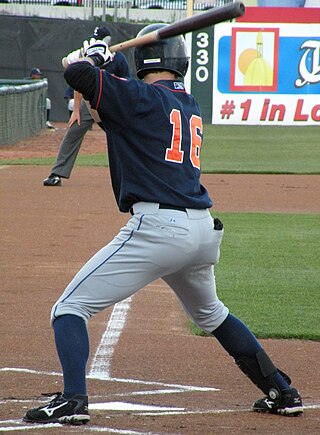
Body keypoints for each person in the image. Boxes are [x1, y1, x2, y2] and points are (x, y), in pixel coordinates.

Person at [23, 24, 303, 425]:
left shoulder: (139, 98)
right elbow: (111, 84)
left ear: (145, 61)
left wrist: (93, 57)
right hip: (202, 231)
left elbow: (78, 76)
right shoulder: (187, 103)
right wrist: (102, 58)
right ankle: (281, 390)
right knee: (213, 315)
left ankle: (72, 400)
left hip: (159, 229)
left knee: (69, 309)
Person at [43, 26, 131, 187]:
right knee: (73, 132)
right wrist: (76, 110)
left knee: (122, 136)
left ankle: (131, 174)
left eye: (99, 39)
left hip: (111, 102)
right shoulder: (87, 55)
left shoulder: (118, 59)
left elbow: (127, 83)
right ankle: (57, 173)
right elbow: (79, 82)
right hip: (89, 102)